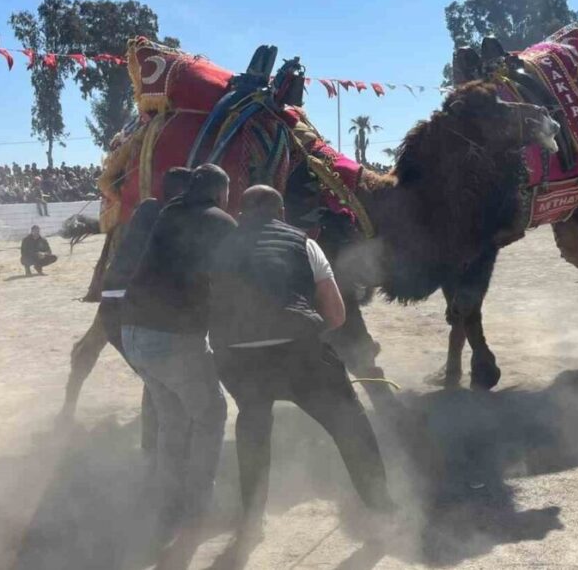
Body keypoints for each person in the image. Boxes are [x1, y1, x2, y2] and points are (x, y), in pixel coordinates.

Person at [210, 186, 396, 551]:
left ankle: (251, 519)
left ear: (241, 214)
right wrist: (310, 335)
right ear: (280, 213)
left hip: (237, 356)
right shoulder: (304, 243)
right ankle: (381, 507)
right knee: (350, 424)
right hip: (300, 353)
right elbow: (337, 314)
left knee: (253, 424)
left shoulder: (218, 247)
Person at [121, 164, 233, 567]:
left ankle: (167, 501)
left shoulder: (170, 212)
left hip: (133, 335)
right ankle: (199, 508)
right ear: (220, 192)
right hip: (171, 339)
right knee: (211, 413)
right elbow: (237, 274)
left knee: (173, 419)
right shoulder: (219, 221)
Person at [99, 166, 192, 452]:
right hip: (132, 311)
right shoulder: (173, 216)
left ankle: (152, 451)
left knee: (154, 384)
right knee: (170, 388)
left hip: (113, 309)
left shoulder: (148, 208)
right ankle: (168, 457)